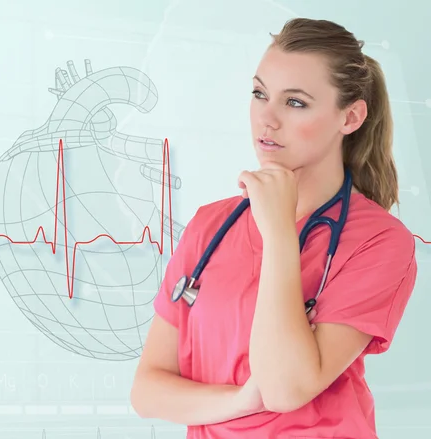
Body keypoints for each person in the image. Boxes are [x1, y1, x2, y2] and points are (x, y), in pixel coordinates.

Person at [129, 17, 418, 439]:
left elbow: (285, 390)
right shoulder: (211, 225)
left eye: (295, 102)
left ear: (351, 117)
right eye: (260, 93)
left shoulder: (379, 242)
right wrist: (238, 403)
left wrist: (280, 233)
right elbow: (147, 390)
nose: (267, 119)